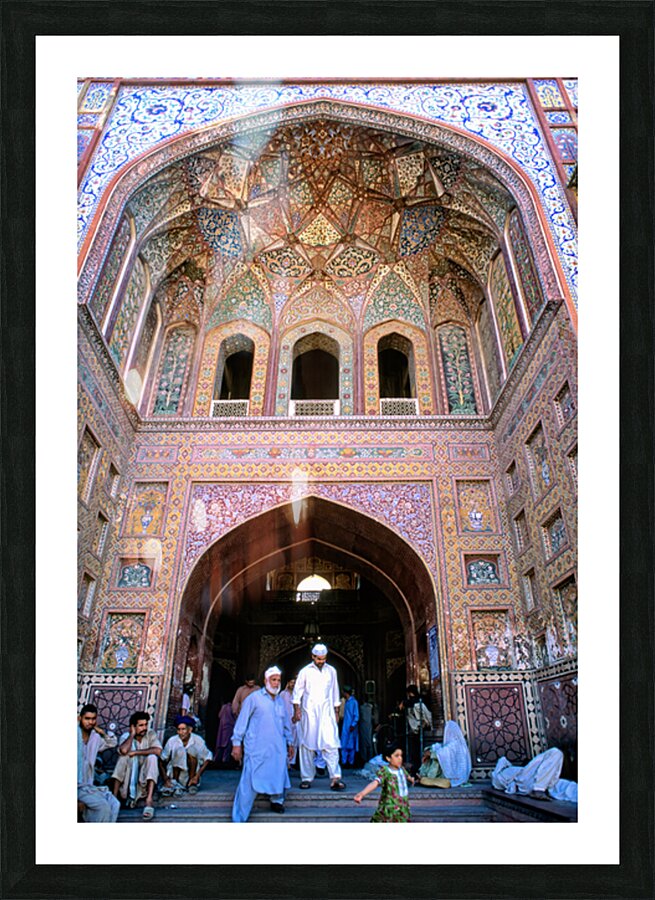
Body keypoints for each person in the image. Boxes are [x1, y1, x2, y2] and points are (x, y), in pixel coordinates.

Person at [231, 666, 295, 821]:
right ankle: (239, 817)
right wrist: (236, 743)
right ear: (266, 680)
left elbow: (286, 724)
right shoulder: (254, 698)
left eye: (278, 680)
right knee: (249, 782)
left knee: (278, 773)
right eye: (273, 680)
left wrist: (290, 743)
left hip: (278, 748)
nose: (276, 683)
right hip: (257, 747)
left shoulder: (280, 701)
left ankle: (276, 801)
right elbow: (242, 721)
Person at [292, 643, 345, 791]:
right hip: (309, 713)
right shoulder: (305, 672)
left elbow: (335, 691)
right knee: (307, 745)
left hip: (327, 713)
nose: (321, 661)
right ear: (313, 657)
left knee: (331, 744)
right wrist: (297, 710)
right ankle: (307, 778)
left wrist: (336, 712)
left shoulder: (331, 671)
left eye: (323, 658)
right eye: (319, 659)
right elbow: (297, 693)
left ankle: (335, 778)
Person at [109, 710, 161, 820]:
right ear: (133, 726)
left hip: (143, 777)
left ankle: (149, 800)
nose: (144, 728)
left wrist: (136, 752)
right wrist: (132, 734)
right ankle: (114, 797)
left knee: (152, 758)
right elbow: (123, 750)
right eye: (141, 725)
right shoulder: (126, 737)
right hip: (128, 776)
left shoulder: (150, 734)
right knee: (123, 758)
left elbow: (158, 751)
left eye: (146, 724)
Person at [77, 703, 120, 823]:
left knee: (114, 803)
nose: (90, 722)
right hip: (77, 787)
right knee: (103, 807)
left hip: (88, 786)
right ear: (80, 718)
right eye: (87, 718)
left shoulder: (95, 738)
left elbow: (112, 743)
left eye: (93, 719)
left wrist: (100, 731)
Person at [353, 743, 415, 822]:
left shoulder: (401, 769)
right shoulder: (385, 771)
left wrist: (411, 779)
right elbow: (375, 783)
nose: (400, 758)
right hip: (390, 806)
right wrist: (362, 794)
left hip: (403, 806)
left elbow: (407, 776)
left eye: (401, 755)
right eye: (396, 756)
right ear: (388, 758)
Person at [160, 715, 213, 795]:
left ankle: (191, 784)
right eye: (179, 730)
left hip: (191, 774)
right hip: (175, 774)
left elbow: (208, 757)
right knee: (179, 751)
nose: (181, 732)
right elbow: (161, 759)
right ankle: (175, 782)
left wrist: (197, 776)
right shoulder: (172, 741)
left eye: (183, 729)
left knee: (191, 751)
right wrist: (165, 779)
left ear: (190, 730)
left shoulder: (198, 740)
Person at [491, 746, 567, 801]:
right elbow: (502, 761)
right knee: (555, 752)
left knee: (565, 786)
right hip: (526, 782)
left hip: (529, 782)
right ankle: (539, 790)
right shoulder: (502, 774)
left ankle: (541, 789)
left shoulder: (508, 772)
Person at [418, 719, 472, 788]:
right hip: (456, 775)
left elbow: (443, 753)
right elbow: (443, 749)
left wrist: (429, 754)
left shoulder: (455, 744)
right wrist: (431, 750)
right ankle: (427, 777)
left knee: (436, 756)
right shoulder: (456, 743)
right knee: (434, 750)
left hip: (456, 776)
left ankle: (428, 778)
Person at [403, 684, 432, 774]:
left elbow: (410, 703)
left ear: (410, 693)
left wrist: (403, 703)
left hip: (419, 728)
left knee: (417, 750)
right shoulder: (420, 700)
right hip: (421, 728)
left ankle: (417, 769)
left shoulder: (417, 702)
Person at [278, 677, 298, 767]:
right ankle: (285, 761)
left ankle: (291, 762)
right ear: (288, 683)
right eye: (291, 682)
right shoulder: (282, 694)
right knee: (284, 740)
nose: (292, 684)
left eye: (294, 683)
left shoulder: (297, 694)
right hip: (284, 721)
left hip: (295, 720)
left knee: (294, 741)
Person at [340, 686, 359, 767]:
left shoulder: (354, 702)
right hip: (345, 725)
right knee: (344, 744)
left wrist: (353, 725)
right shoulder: (346, 702)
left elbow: (356, 715)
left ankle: (351, 762)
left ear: (346, 692)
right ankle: (344, 762)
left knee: (351, 745)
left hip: (351, 726)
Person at [214, 700, 237, 766]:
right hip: (230, 727)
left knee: (220, 744)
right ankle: (225, 760)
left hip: (222, 727)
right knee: (227, 745)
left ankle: (217, 759)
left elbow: (219, 715)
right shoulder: (232, 707)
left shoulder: (224, 707)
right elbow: (235, 715)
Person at [358, 698, 378, 763]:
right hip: (369, 727)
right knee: (369, 744)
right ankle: (369, 759)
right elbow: (375, 719)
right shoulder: (371, 708)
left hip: (363, 728)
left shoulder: (361, 708)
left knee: (363, 743)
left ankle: (364, 759)